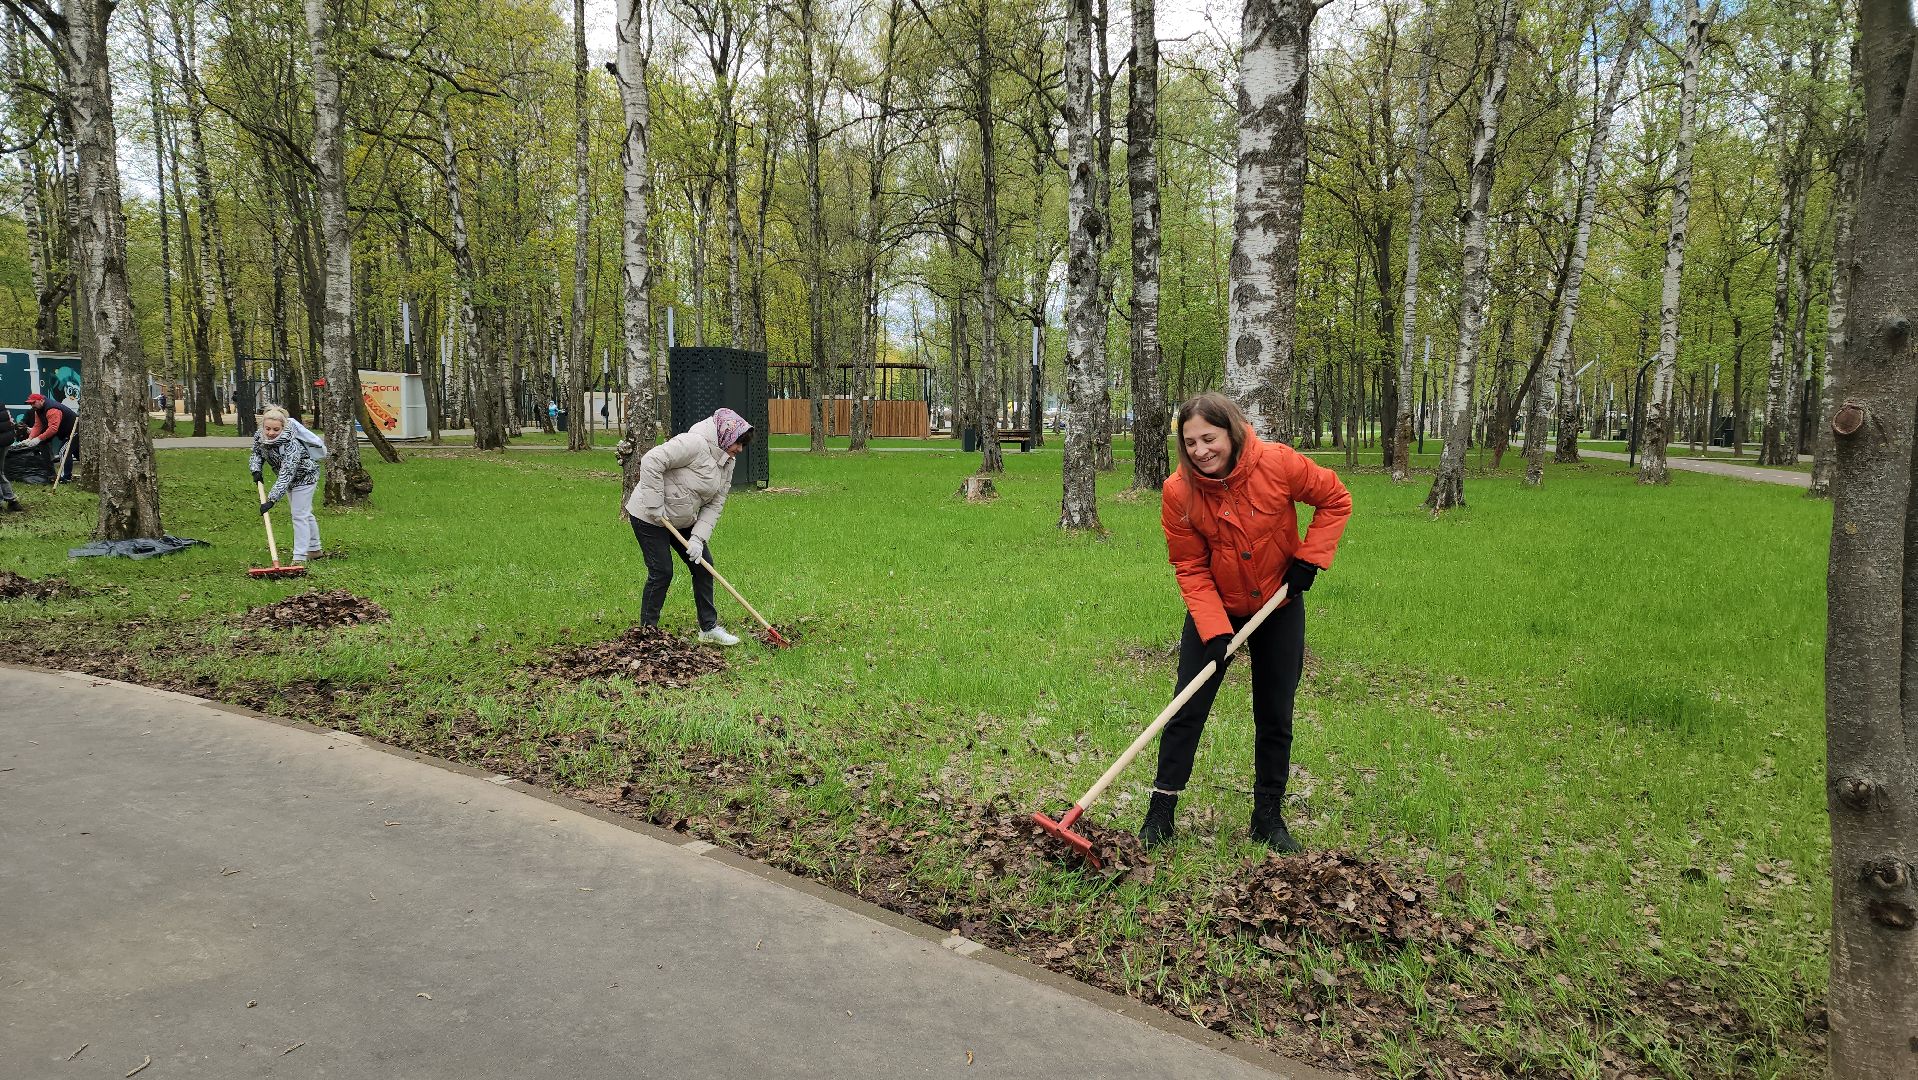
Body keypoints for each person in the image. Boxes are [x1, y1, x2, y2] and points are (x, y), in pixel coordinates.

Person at [1145, 392, 1352, 853]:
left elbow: (1335, 498)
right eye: (1191, 442)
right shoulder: (1178, 491)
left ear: (1232, 432)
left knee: (1275, 713)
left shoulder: (1277, 464)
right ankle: (1160, 812)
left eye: (1209, 438)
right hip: (1215, 606)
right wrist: (1215, 628)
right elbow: (1190, 567)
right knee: (1187, 706)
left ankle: (1267, 817)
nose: (1201, 451)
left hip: (1279, 605)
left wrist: (1310, 559)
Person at [623, 407, 754, 646]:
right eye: (738, 443)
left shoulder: (728, 461)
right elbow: (652, 460)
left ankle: (708, 628)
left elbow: (716, 503)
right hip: (650, 515)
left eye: (742, 446)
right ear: (725, 436)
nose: (739, 450)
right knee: (662, 571)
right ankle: (646, 633)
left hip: (682, 518)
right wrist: (653, 503)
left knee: (704, 566)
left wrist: (698, 538)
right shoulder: (693, 444)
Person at [250, 406, 324, 564]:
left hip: (305, 476)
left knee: (299, 515)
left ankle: (299, 557)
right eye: (267, 428)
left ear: (283, 428)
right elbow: (256, 453)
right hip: (289, 479)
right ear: (262, 426)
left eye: (276, 429)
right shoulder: (259, 436)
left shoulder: (291, 445)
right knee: (304, 513)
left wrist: (271, 500)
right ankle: (315, 549)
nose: (270, 433)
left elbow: (286, 474)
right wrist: (256, 469)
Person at [18, 393, 77, 483]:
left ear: (41, 400)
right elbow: (38, 426)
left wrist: (38, 439)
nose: (32, 405)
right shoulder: (38, 410)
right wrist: (30, 439)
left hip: (76, 430)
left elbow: (53, 429)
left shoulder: (52, 409)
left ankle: (66, 478)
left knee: (63, 452)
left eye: (34, 403)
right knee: (78, 453)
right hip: (66, 432)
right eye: (30, 403)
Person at [0, 410, 23, 511]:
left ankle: (11, 501)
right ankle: (12, 502)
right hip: (6, 441)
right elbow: (11, 422)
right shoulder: (3, 408)